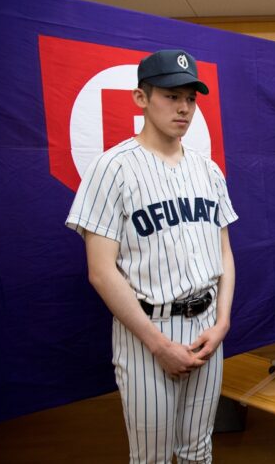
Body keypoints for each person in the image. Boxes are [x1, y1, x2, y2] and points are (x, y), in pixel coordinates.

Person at [65, 49, 237, 463]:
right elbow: (101, 272)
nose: (183, 108)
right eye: (170, 95)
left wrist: (223, 322)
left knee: (199, 450)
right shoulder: (112, 167)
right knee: (152, 458)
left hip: (206, 328)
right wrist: (158, 344)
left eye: (191, 98)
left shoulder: (208, 169)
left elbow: (225, 256)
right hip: (147, 330)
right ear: (141, 98)